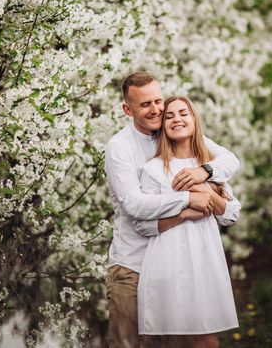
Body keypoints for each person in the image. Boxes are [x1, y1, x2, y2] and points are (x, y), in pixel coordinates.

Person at [105, 71, 240, 348]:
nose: (156, 110)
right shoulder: (120, 147)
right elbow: (134, 204)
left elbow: (228, 159)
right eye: (145, 105)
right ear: (127, 109)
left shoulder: (175, 135)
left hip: (177, 265)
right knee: (126, 342)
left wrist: (205, 171)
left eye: (158, 101)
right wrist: (188, 200)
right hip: (133, 264)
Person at [137, 96, 240, 348]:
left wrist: (206, 193)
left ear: (194, 119)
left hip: (205, 257)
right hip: (168, 256)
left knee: (206, 338)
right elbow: (143, 225)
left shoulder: (210, 165)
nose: (177, 119)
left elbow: (230, 214)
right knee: (178, 338)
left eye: (183, 113)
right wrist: (184, 211)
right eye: (169, 116)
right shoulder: (153, 169)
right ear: (162, 125)